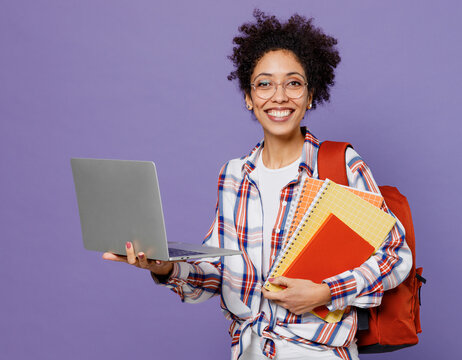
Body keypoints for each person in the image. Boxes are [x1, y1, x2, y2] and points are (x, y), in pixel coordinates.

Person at [103, 10, 412, 360]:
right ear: (249, 98)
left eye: (293, 83)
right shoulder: (234, 175)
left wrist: (327, 293)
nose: (278, 96)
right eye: (264, 84)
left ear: (311, 95)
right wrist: (165, 267)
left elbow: (395, 255)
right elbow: (220, 273)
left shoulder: (339, 165)